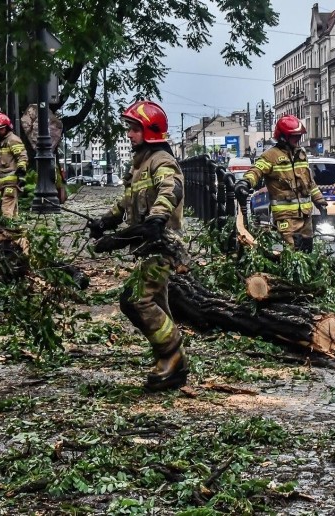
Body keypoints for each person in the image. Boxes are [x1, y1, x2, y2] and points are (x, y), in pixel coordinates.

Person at [87, 100, 189, 391]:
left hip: (163, 246)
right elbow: (126, 204)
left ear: (150, 131)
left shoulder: (161, 161)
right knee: (155, 302)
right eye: (129, 129)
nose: (129, 135)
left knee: (137, 299)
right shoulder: (140, 165)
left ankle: (172, 353)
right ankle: (171, 362)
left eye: (134, 129)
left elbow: (172, 189)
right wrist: (105, 223)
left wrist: (158, 217)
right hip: (147, 246)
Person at [233, 115, 328, 252]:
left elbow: (310, 183)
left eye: (299, 136)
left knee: (307, 254)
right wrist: (245, 182)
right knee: (291, 254)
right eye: (294, 136)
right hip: (286, 219)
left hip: (306, 217)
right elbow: (256, 171)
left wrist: (321, 203)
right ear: (283, 137)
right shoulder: (270, 156)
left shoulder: (301, 154)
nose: (298, 140)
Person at [0, 112, 28, 218]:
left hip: (11, 182)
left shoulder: (13, 140)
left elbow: (22, 156)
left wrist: (21, 170)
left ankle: (7, 230)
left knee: (6, 210)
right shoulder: (1, 143)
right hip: (3, 183)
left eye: (1, 129)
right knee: (12, 211)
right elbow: (0, 160)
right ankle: (14, 230)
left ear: (7, 127)